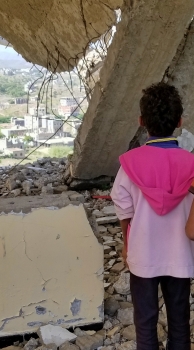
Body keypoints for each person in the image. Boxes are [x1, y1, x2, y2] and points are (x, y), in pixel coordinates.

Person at [111, 82, 194, 350]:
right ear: (180, 121)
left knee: (145, 324)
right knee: (180, 323)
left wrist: (127, 243)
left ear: (141, 121)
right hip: (181, 255)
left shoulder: (130, 163)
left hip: (143, 254)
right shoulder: (191, 164)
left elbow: (123, 206)